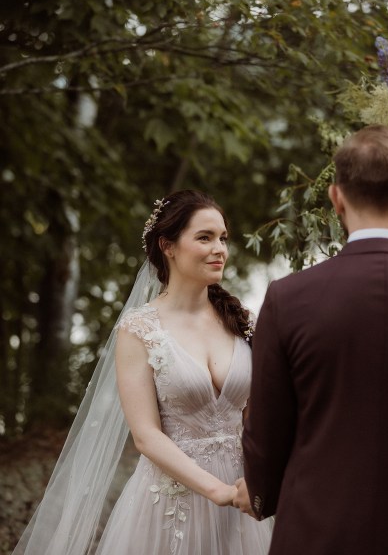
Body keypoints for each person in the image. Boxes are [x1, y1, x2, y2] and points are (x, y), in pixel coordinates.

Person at [13, 189, 273, 555]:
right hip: (173, 504)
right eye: (205, 237)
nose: (220, 249)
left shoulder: (243, 322)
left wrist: (258, 482)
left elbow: (256, 419)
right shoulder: (139, 329)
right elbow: (146, 436)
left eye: (223, 238)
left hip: (242, 500)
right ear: (168, 246)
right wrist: (219, 492)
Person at [233, 125, 388, 555]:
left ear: (336, 197)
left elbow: (266, 428)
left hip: (318, 531)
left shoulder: (290, 298)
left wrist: (259, 496)